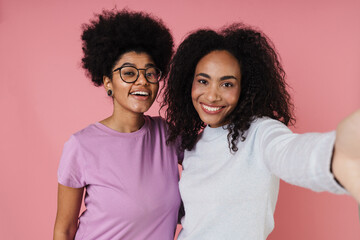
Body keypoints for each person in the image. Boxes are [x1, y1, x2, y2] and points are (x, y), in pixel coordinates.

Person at [162, 24, 360, 239]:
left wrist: (337, 157)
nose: (211, 96)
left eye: (227, 84)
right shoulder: (193, 146)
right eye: (203, 81)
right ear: (188, 83)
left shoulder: (261, 132)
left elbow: (291, 153)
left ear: (244, 89)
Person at [53, 9, 182, 240]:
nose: (142, 80)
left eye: (150, 73)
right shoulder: (81, 146)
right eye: (129, 73)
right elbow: (65, 229)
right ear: (107, 82)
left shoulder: (167, 135)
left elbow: (214, 158)